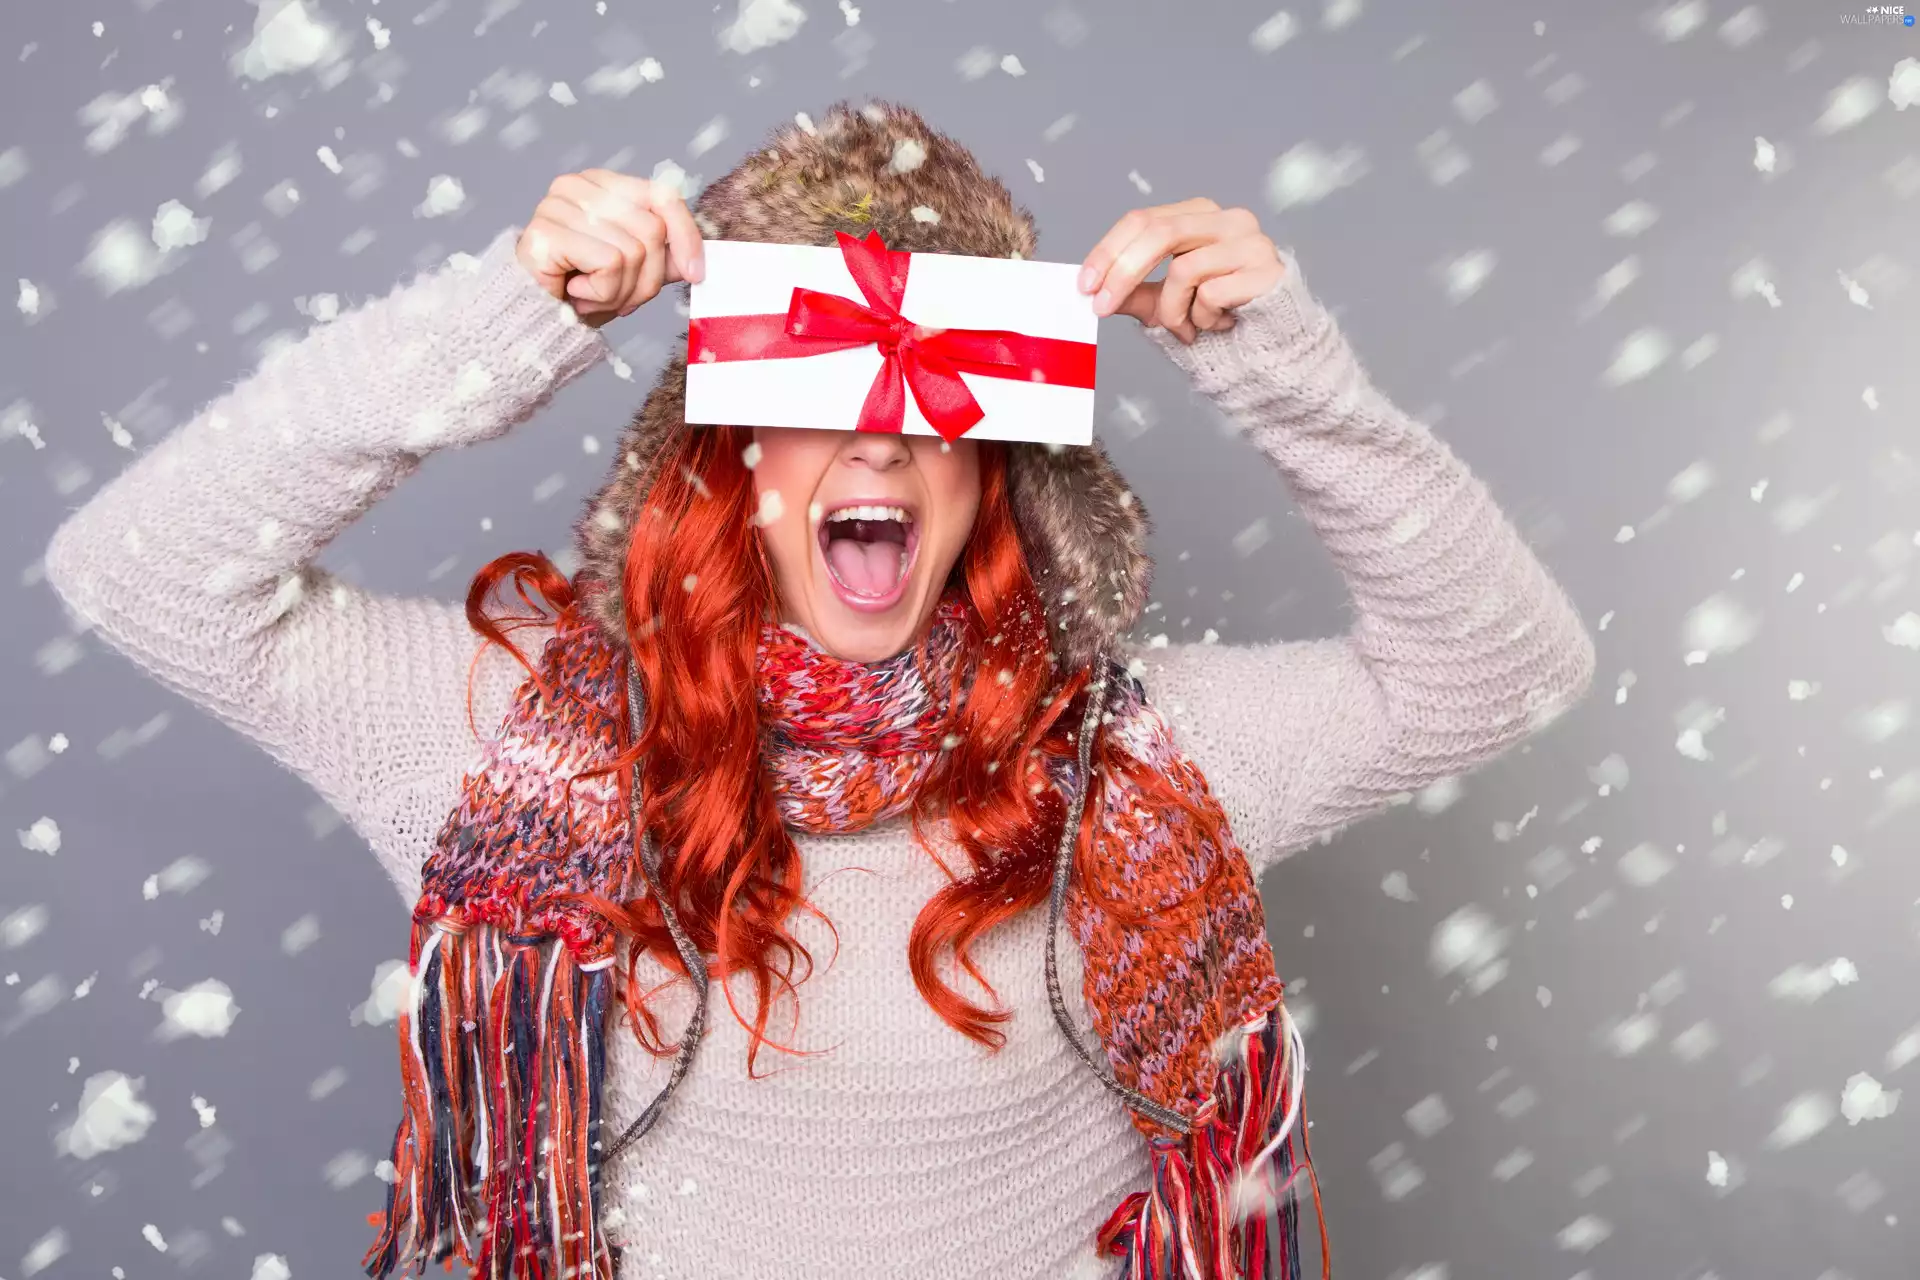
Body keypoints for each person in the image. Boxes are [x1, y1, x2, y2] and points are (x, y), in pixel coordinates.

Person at [43, 102, 1596, 1280]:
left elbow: (1503, 667)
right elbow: (137, 570)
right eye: (820, 389)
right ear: (728, 454)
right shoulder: (511, 737)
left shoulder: (1138, 758)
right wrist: (511, 317)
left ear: (995, 475)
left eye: (934, 400)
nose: (881, 436)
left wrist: (1285, 370)